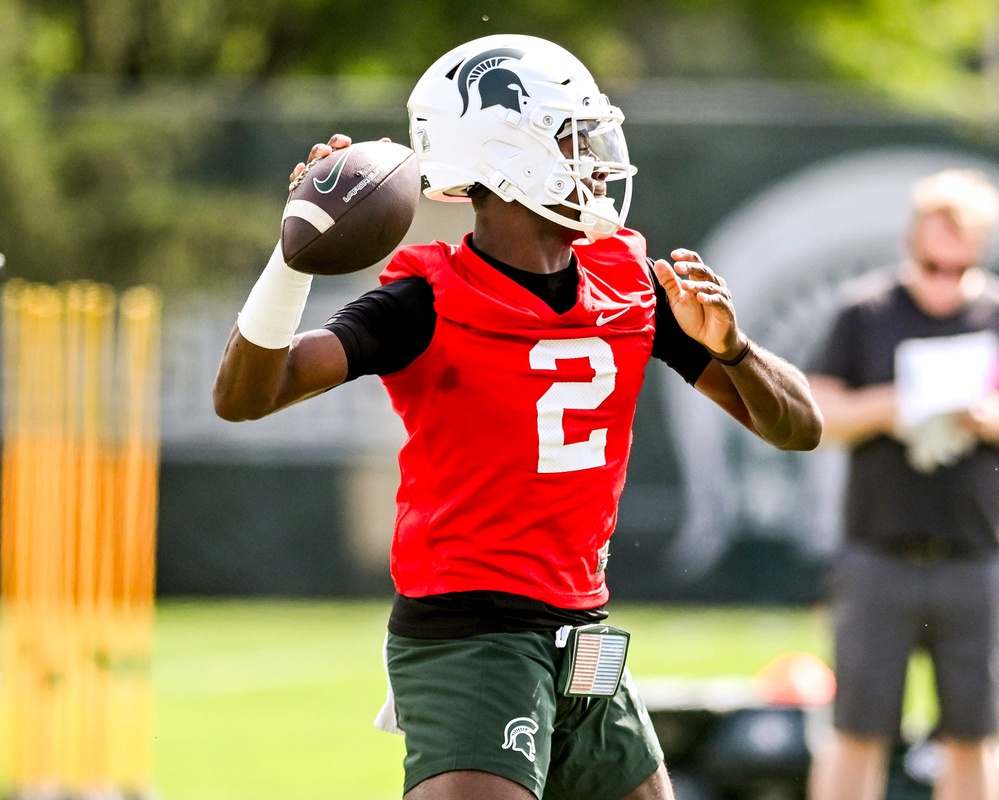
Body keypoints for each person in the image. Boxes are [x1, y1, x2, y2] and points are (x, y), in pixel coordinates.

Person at [213, 34, 823, 800]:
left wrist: (734, 349)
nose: (597, 162)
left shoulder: (631, 279)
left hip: (583, 630)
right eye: (574, 139)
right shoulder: (426, 298)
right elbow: (246, 396)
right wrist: (289, 259)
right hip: (472, 635)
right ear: (510, 152)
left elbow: (800, 427)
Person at [805, 168, 999, 800]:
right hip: (877, 555)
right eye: (931, 264)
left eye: (957, 268)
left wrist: (995, 415)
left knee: (975, 737)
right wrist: (893, 407)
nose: (943, 281)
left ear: (980, 251)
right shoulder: (864, 311)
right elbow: (815, 412)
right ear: (911, 244)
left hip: (976, 558)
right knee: (857, 731)